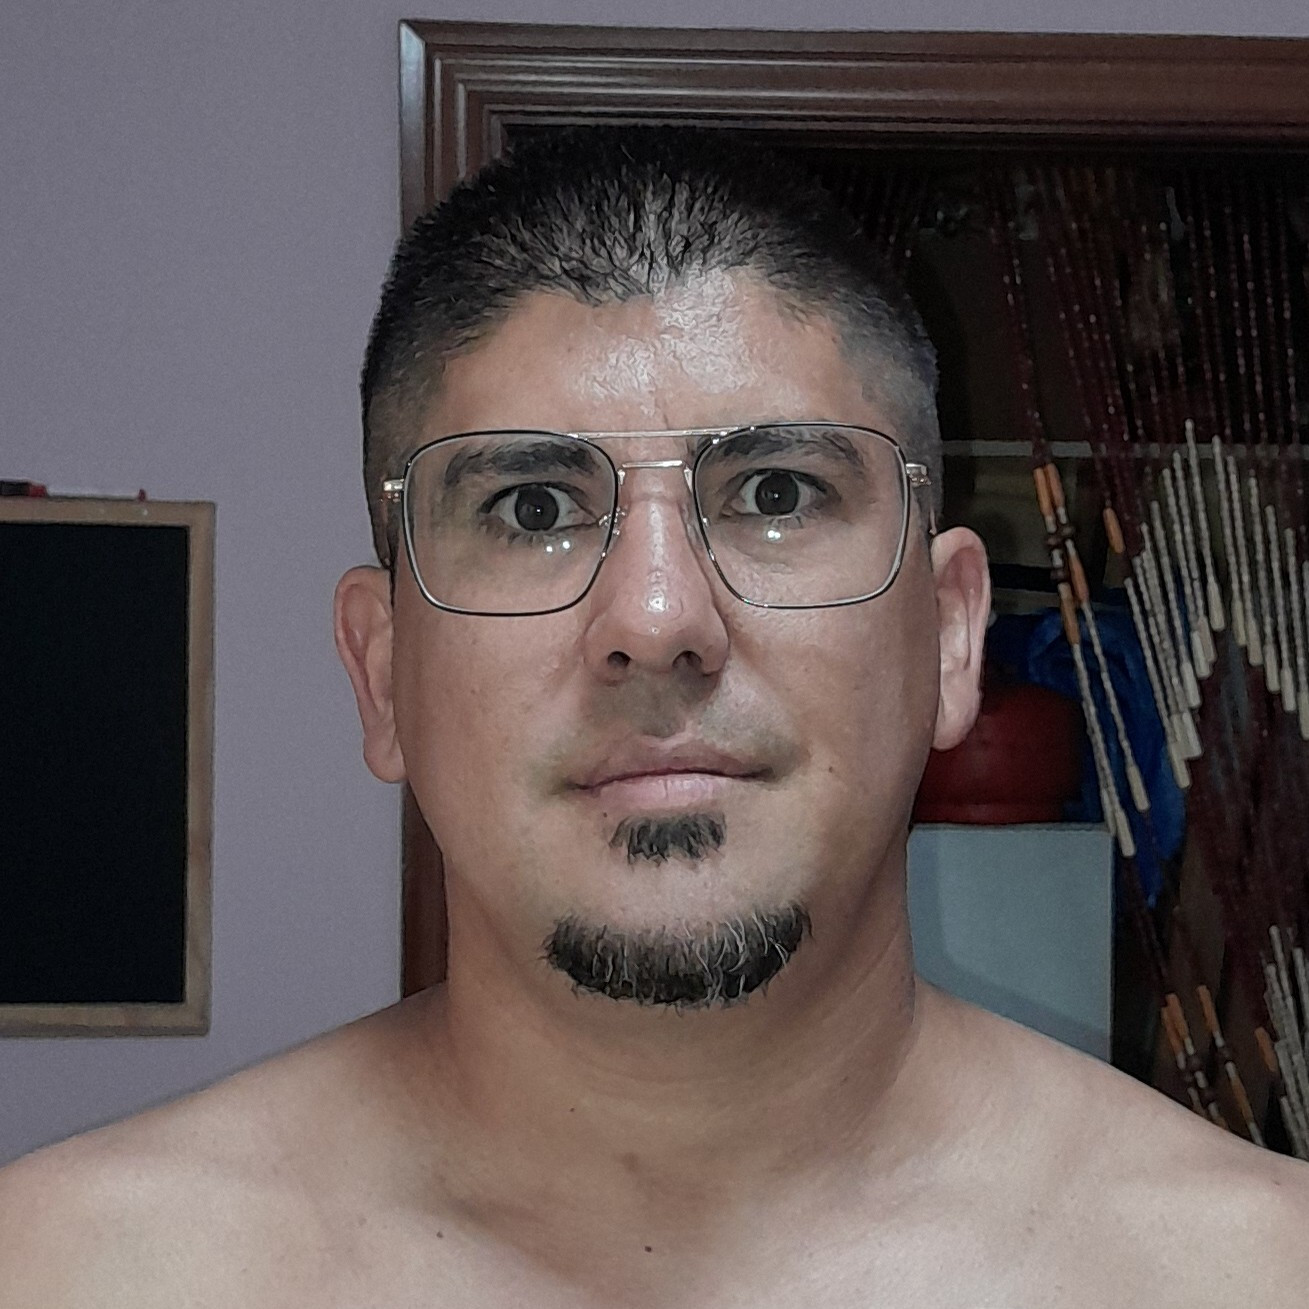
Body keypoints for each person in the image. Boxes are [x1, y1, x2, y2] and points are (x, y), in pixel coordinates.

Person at [2, 127, 1306, 1307]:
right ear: (382, 672)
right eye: (531, 508)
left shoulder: (1254, 1274)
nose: (660, 616)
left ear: (951, 634)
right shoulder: (64, 1272)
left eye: (779, 491)